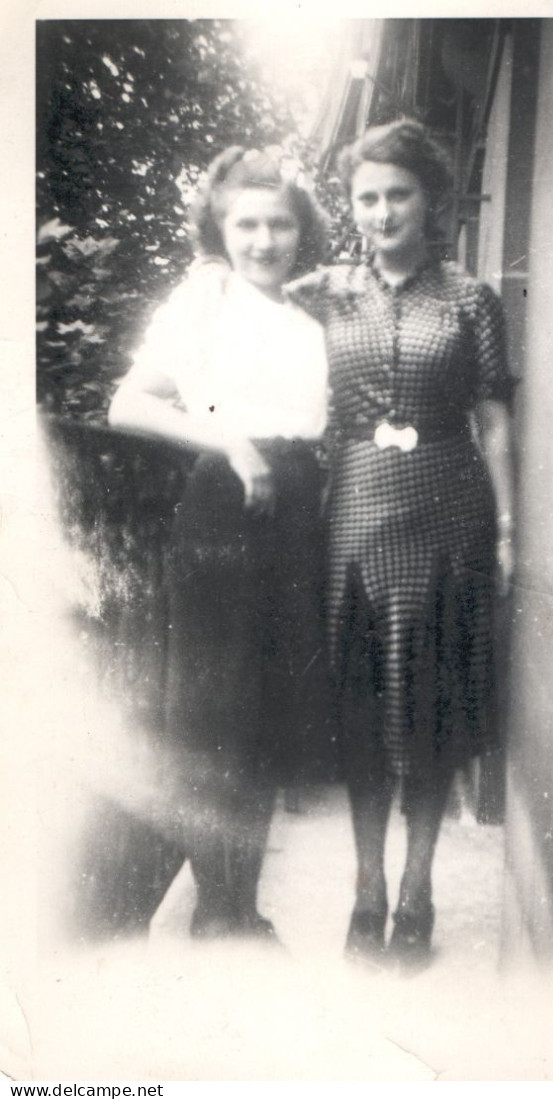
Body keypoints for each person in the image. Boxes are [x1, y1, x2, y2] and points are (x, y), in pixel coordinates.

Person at [287, 119, 516, 969]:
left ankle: (416, 893)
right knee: (359, 710)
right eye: (367, 197)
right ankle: (366, 889)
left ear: (433, 202)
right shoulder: (325, 292)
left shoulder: (470, 299)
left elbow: (493, 420)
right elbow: (246, 294)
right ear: (352, 206)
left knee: (429, 709)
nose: (382, 213)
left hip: (446, 512)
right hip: (351, 511)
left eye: (399, 195)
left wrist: (506, 527)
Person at [108, 146, 332, 942]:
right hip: (224, 505)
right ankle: (218, 906)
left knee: (271, 709)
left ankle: (246, 903)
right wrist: (228, 443)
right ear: (221, 226)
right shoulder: (204, 301)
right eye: (247, 222)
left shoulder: (312, 320)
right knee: (216, 709)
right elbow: (127, 403)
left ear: (301, 230)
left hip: (298, 509)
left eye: (279, 222)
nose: (264, 239)